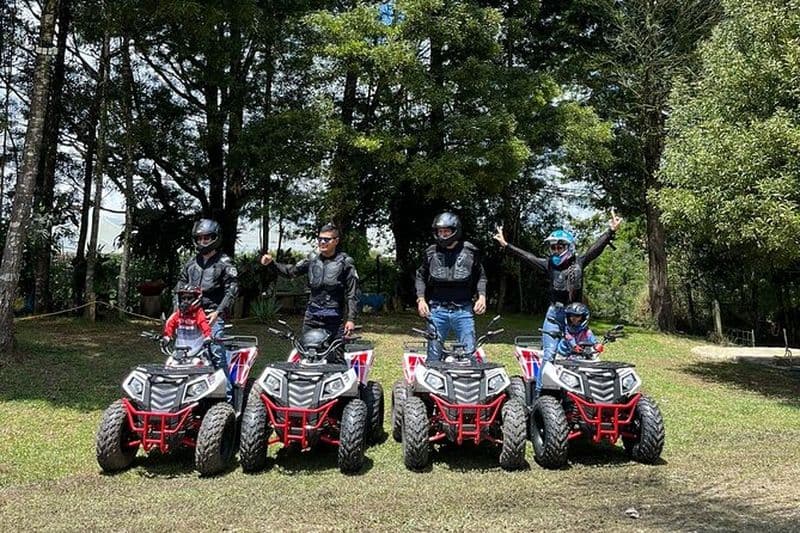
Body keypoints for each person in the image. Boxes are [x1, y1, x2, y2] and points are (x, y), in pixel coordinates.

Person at [493, 210, 621, 393]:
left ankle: (576, 394)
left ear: (568, 247)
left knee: (581, 355)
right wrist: (506, 246)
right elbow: (527, 258)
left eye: (559, 247)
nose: (555, 251)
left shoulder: (578, 262)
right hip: (554, 315)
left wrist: (610, 231)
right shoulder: (549, 265)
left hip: (575, 318)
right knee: (549, 355)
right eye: (553, 247)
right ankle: (540, 395)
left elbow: (595, 249)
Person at [260, 223, 358, 341]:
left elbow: (352, 293)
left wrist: (351, 319)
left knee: (335, 352)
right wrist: (271, 263)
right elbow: (290, 272)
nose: (322, 242)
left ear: (336, 241)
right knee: (306, 350)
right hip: (312, 317)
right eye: (320, 239)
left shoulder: (345, 262)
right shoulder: (312, 259)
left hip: (334, 319)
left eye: (327, 239)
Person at [415, 212, 487, 362]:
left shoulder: (470, 251)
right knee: (433, 355)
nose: (442, 235)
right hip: (437, 309)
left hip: (463, 310)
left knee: (469, 352)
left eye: (446, 231)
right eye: (440, 231)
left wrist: (482, 296)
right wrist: (421, 299)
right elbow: (420, 276)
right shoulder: (431, 252)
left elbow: (481, 276)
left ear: (455, 231)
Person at [175, 219, 239, 387]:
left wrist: (218, 312)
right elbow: (179, 287)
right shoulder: (191, 263)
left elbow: (232, 290)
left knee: (217, 353)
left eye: (206, 238)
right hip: (190, 316)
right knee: (180, 355)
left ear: (215, 238)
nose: (202, 241)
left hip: (212, 314)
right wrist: (177, 312)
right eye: (199, 238)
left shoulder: (224, 263)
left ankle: (228, 394)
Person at [162, 285, 212, 361]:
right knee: (170, 362)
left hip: (197, 351)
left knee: (200, 364)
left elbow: (204, 325)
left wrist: (207, 337)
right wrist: (167, 337)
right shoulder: (178, 314)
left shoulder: (199, 313)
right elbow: (170, 324)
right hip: (179, 351)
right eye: (183, 298)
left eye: (189, 298)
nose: (185, 301)